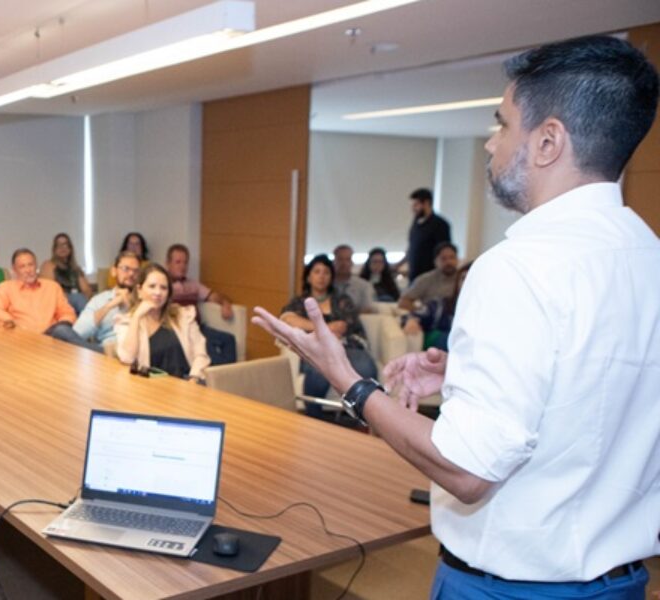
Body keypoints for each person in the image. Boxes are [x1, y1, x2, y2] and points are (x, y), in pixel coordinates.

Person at [253, 35, 658, 597]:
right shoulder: (647, 254)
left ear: (547, 141)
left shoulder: (517, 269)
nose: (490, 145)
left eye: (502, 125)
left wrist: (349, 381)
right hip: (621, 584)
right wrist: (465, 372)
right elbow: (602, 384)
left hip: (509, 588)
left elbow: (467, 472)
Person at [277, 255, 378, 421]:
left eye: (326, 272)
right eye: (317, 272)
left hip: (348, 347)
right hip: (316, 348)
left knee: (366, 368)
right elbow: (286, 319)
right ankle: (313, 419)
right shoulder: (299, 301)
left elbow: (344, 326)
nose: (321, 276)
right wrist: (325, 328)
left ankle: (365, 420)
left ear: (331, 277)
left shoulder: (342, 300)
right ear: (308, 276)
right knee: (318, 371)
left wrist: (325, 330)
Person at [0, 248, 101, 352]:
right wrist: (11, 321)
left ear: (36, 266)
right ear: (14, 270)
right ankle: (101, 352)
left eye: (30, 265)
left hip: (51, 336)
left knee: (62, 330)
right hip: (23, 340)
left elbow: (68, 313)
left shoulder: (52, 287)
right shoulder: (6, 288)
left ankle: (97, 352)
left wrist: (61, 324)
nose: (28, 270)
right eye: (22, 266)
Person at [113, 264, 209, 382]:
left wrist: (194, 379)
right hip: (149, 388)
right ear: (139, 290)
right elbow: (127, 358)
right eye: (152, 286)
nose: (158, 292)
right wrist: (137, 316)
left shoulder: (184, 315)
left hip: (187, 385)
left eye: (163, 288)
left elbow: (201, 354)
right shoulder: (127, 321)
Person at [165, 243, 238, 365]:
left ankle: (228, 376)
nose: (183, 266)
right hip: (180, 331)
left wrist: (225, 303)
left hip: (199, 326)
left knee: (229, 339)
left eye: (185, 262)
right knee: (210, 351)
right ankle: (214, 377)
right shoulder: (163, 285)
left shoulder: (193, 284)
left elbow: (214, 296)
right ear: (168, 264)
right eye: (178, 262)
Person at [73, 251, 140, 349]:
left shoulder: (144, 299)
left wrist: (129, 306)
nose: (131, 274)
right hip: (104, 351)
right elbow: (78, 333)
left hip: (133, 350)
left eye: (136, 271)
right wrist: (110, 305)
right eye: (126, 269)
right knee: (61, 332)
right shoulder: (99, 300)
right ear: (114, 271)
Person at [403, 263, 472, 352]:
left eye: (472, 278)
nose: (467, 282)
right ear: (457, 282)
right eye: (463, 278)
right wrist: (411, 320)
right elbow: (412, 315)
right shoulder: (440, 304)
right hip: (441, 342)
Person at [402, 188, 452, 282]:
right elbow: (411, 248)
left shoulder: (440, 224)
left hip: (431, 279)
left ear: (426, 203)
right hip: (414, 277)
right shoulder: (416, 224)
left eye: (416, 205)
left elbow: (444, 252)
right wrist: (398, 265)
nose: (413, 209)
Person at [39, 233, 93, 313]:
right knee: (78, 298)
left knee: (82, 299)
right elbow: (48, 290)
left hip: (77, 302)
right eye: (59, 245)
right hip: (59, 301)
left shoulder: (75, 268)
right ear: (54, 249)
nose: (62, 248)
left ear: (70, 248)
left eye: (65, 244)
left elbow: (87, 291)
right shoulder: (49, 265)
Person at [398, 242, 459, 311]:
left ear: (457, 259)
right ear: (435, 261)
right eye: (443, 259)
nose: (448, 262)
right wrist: (423, 314)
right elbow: (403, 302)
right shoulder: (426, 279)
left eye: (452, 257)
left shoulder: (464, 278)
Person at [332, 244, 376, 314]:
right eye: (340, 259)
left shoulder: (364, 285)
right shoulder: (325, 284)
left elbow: (368, 309)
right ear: (333, 262)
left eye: (347, 259)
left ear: (352, 262)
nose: (344, 263)